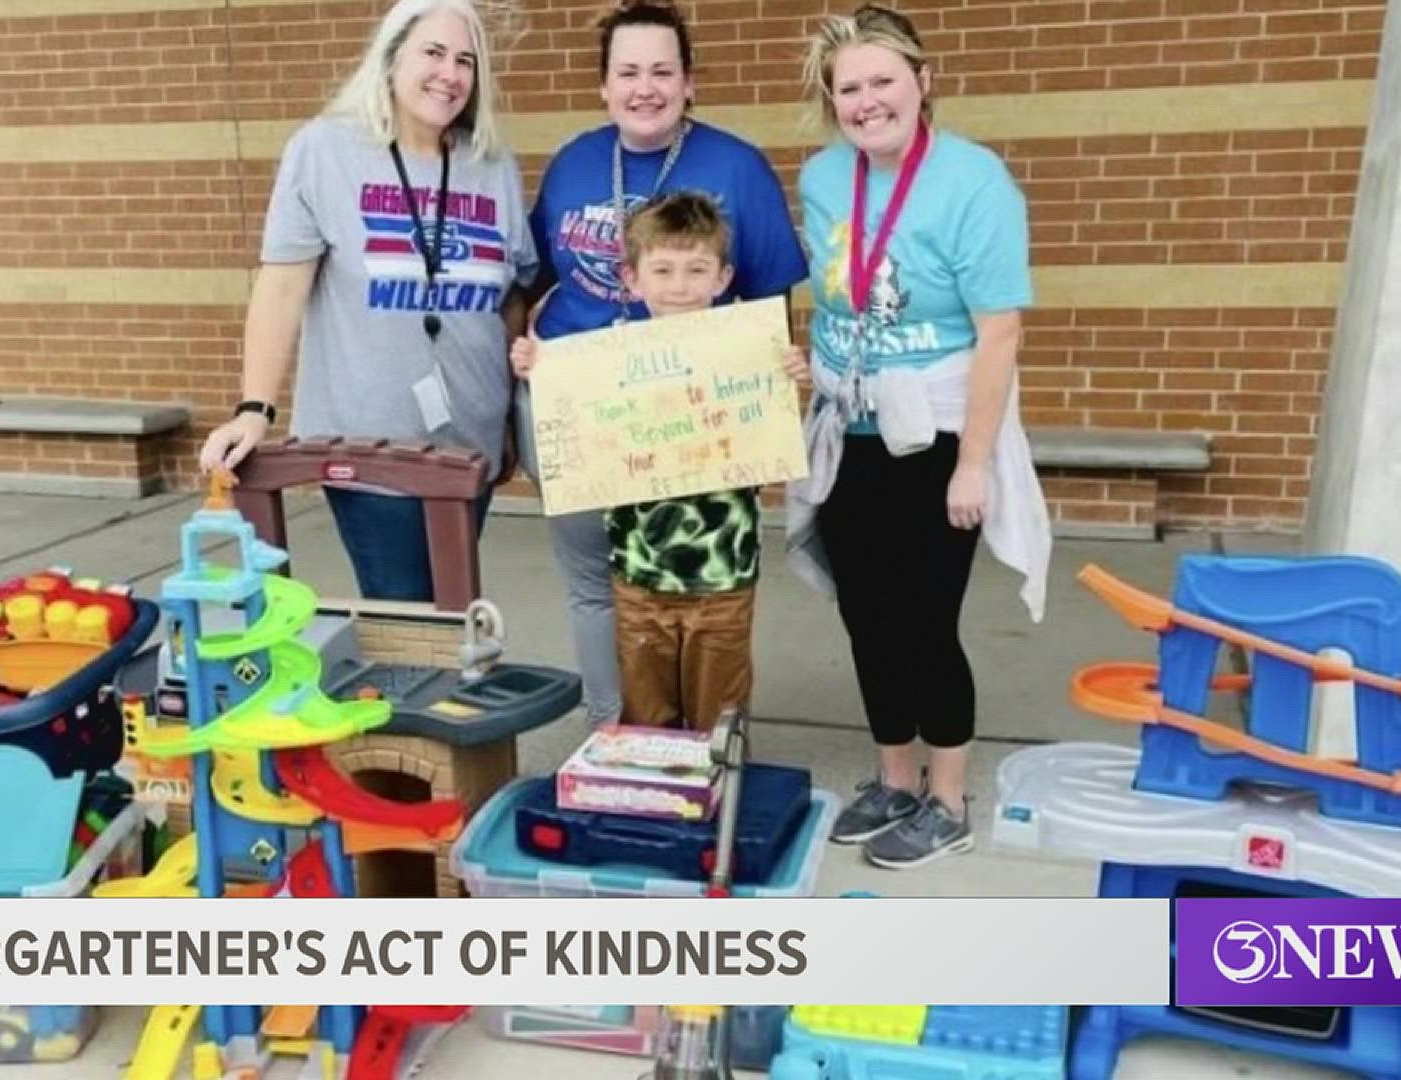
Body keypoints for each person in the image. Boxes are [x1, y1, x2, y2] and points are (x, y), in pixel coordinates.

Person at [786, 5, 1052, 868]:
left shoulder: (974, 183)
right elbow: (837, 298)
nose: (867, 101)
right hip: (848, 426)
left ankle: (946, 795)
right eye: (849, 88)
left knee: (925, 624)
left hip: (935, 432)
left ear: (923, 81)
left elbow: (999, 332)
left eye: (882, 81)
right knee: (865, 615)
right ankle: (894, 778)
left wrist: (972, 464)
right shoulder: (826, 177)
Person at [516, 0, 808, 724]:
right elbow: (530, 282)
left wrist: (770, 405)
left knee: (697, 585)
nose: (644, 87)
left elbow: (772, 304)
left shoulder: (736, 167)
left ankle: (706, 743)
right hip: (587, 409)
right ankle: (614, 733)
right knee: (597, 583)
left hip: (691, 415)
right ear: (604, 85)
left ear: (688, 81)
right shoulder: (574, 162)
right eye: (627, 72)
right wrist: (523, 358)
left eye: (661, 71)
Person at [197, 0, 537, 602]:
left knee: (454, 609)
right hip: (366, 441)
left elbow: (512, 295)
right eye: (433, 53)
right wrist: (254, 407)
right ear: (390, 58)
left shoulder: (491, 165)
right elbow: (281, 288)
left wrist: (509, 417)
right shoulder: (325, 150)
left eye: (466, 60)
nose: (450, 74)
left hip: (470, 443)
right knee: (405, 613)